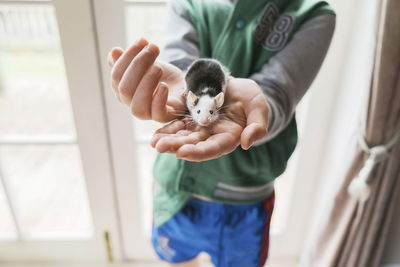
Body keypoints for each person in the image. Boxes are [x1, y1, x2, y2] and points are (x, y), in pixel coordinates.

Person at [108, 0, 336, 266]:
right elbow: (180, 62)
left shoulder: (313, 14)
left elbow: (277, 95)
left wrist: (255, 110)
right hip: (176, 193)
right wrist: (175, 83)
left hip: (245, 202)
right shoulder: (189, 5)